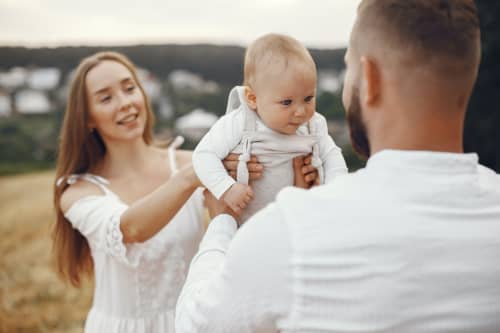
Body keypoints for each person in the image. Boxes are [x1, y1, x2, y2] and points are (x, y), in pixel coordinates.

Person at [176, 1, 500, 332]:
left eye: (349, 69)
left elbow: (194, 323)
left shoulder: (290, 233)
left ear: (370, 79)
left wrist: (221, 221)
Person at [52, 51, 270, 333]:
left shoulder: (189, 162)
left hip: (190, 323)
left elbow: (255, 208)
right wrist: (193, 175)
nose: (125, 102)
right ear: (88, 118)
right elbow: (130, 229)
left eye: (130, 88)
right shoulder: (78, 191)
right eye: (106, 98)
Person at [193, 33, 348, 221]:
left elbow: (332, 157)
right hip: (248, 221)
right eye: (286, 102)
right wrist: (227, 188)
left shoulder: (313, 124)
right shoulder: (241, 122)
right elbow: (204, 155)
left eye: (308, 98)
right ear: (253, 99)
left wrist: (335, 189)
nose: (300, 111)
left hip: (298, 220)